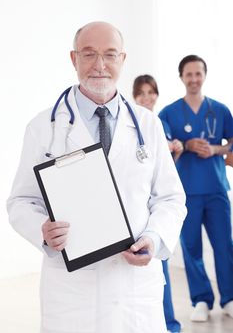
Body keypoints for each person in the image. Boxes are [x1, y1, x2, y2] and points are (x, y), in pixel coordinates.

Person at [7, 21, 186, 333]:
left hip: (134, 288)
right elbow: (21, 201)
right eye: (89, 54)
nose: (100, 65)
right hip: (73, 289)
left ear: (122, 59)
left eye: (109, 54)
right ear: (74, 59)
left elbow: (170, 198)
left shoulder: (149, 125)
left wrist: (154, 238)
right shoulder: (43, 128)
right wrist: (42, 231)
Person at [159, 54, 233, 322]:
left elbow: (231, 143)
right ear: (181, 77)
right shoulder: (168, 113)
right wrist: (185, 144)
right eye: (188, 74)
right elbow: (162, 146)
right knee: (191, 248)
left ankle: (229, 298)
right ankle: (201, 299)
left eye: (198, 73)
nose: (193, 79)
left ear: (204, 75)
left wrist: (216, 148)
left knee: (224, 245)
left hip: (216, 190)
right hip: (185, 192)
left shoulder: (220, 110)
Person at [133, 74, 183, 333]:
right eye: (141, 93)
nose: (146, 98)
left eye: (151, 92)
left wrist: (174, 149)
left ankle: (170, 325)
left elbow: (166, 175)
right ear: (134, 96)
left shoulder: (160, 123)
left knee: (160, 271)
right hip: (136, 212)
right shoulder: (130, 124)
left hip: (158, 212)